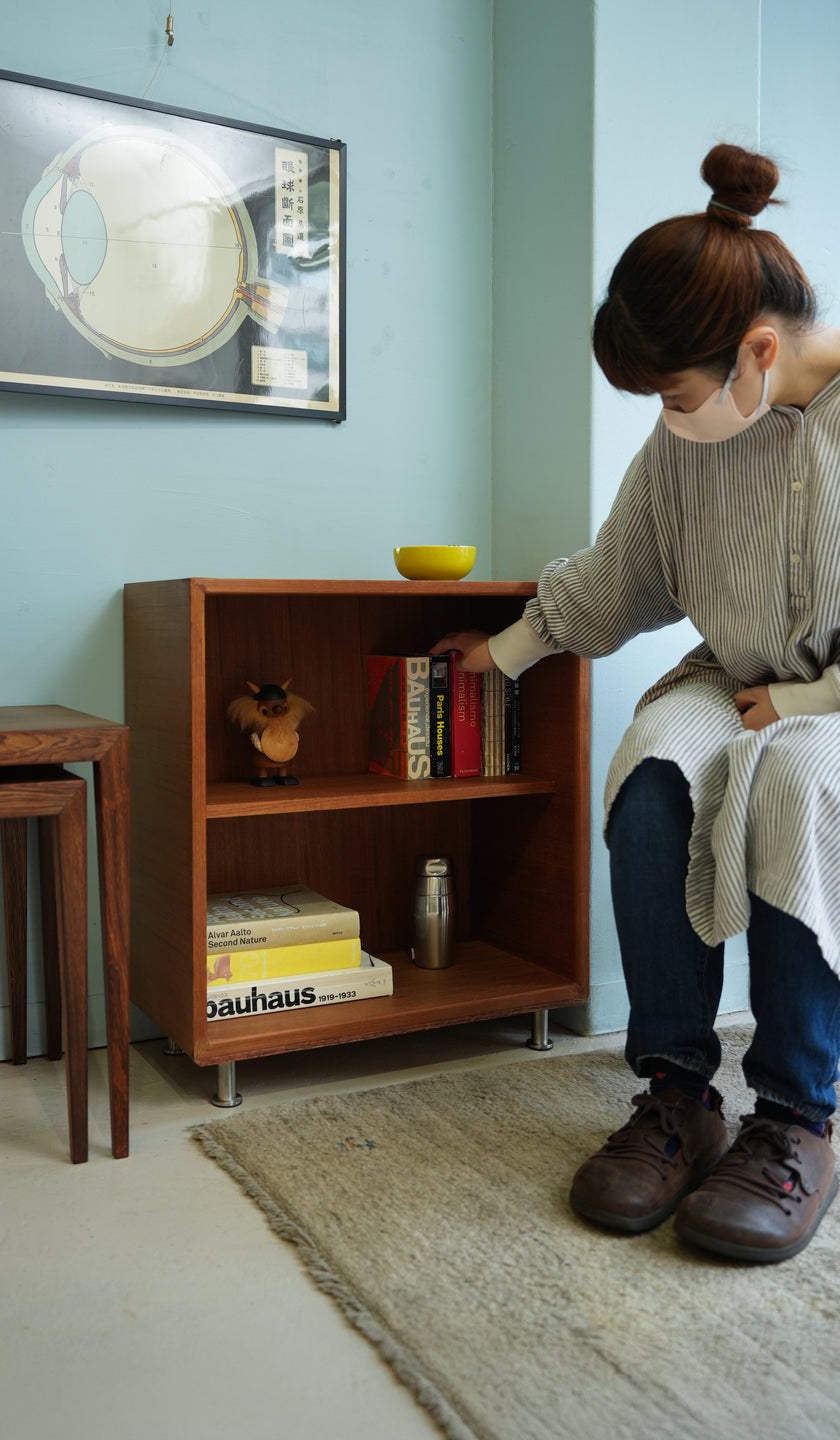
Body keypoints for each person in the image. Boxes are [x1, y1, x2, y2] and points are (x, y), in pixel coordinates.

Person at [431, 143, 840, 1265]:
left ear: (758, 351)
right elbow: (619, 576)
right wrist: (503, 653)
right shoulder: (684, 451)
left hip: (830, 705)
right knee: (656, 768)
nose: (666, 415)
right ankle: (677, 1095)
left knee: (804, 773)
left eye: (673, 390)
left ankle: (798, 1117)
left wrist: (805, 697)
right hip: (736, 678)